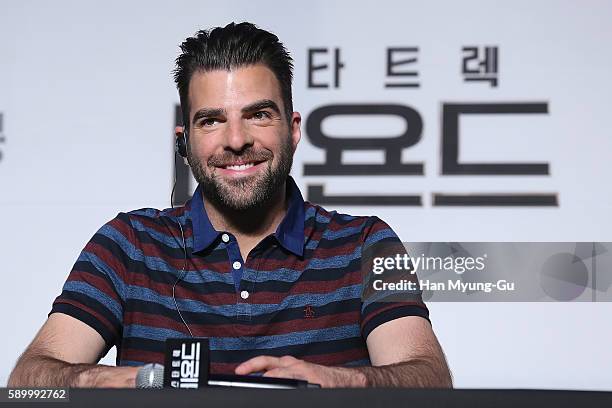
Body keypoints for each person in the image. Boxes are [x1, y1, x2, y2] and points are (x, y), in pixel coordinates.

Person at [8, 22, 452, 388]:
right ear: (185, 141)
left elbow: (431, 381)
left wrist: (332, 384)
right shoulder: (128, 245)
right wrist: (142, 382)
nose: (236, 141)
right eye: (212, 120)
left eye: (258, 114)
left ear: (292, 129)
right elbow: (29, 381)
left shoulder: (366, 244)